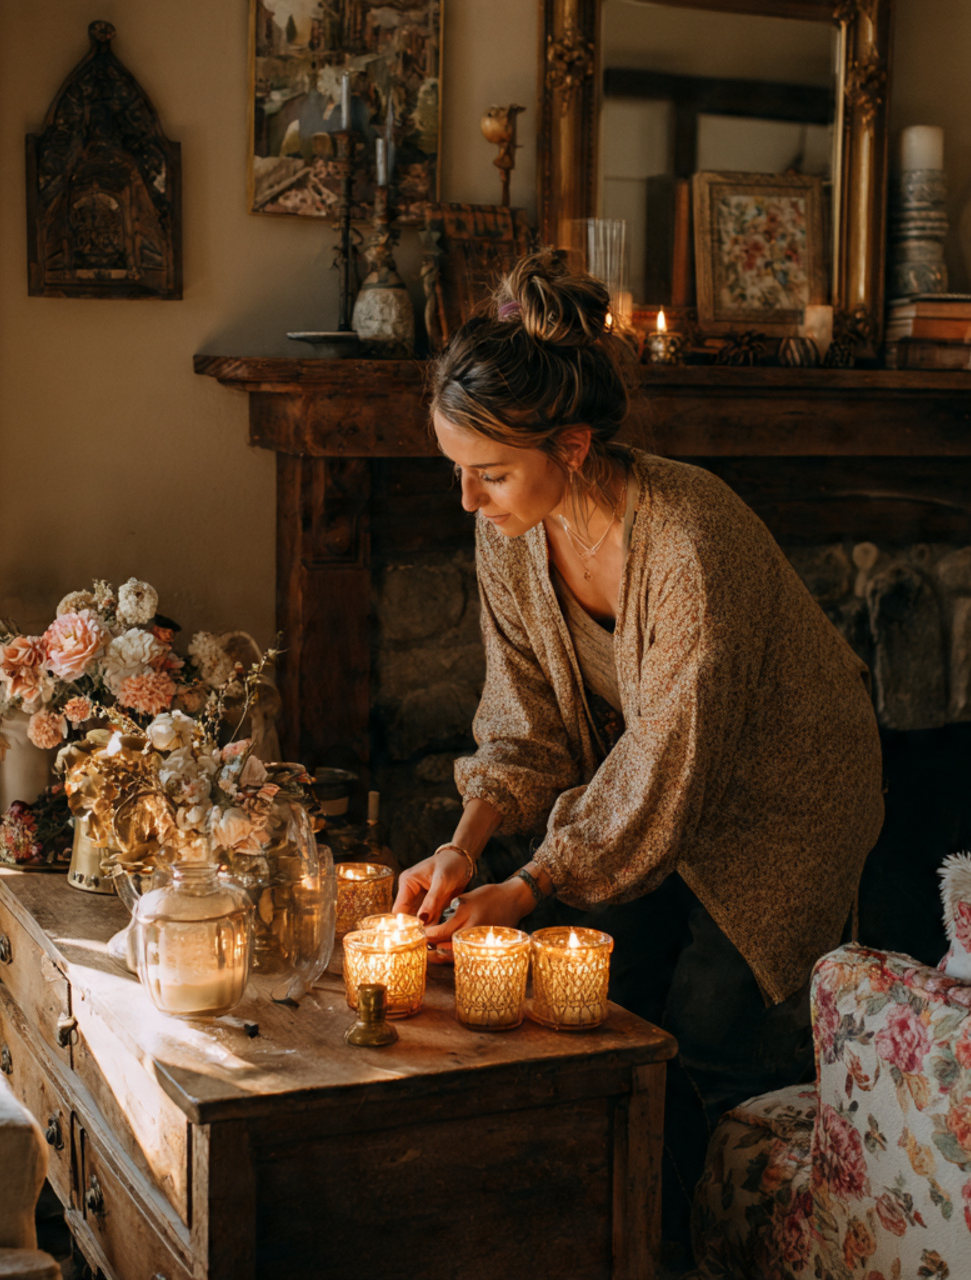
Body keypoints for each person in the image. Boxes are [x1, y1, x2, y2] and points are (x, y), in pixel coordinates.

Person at [392, 250, 884, 1253]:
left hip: (784, 800)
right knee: (603, 1014)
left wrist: (526, 887)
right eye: (456, 472)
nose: (467, 501)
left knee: (709, 1042)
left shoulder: (686, 543)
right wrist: (466, 845)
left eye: (487, 474)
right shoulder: (509, 535)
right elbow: (520, 714)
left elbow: (667, 752)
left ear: (571, 445)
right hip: (656, 791)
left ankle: (715, 1247)